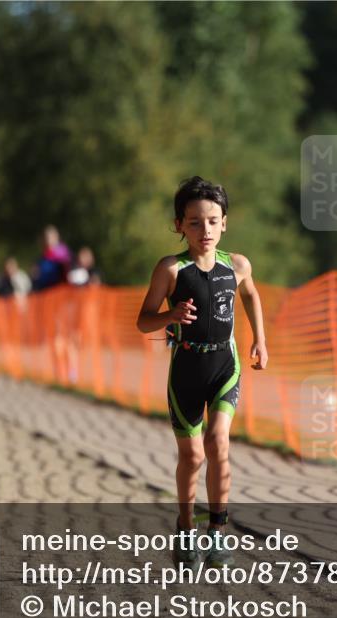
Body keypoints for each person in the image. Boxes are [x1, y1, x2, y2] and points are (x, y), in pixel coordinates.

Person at [137, 176, 268, 568]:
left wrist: (261, 339)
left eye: (212, 220)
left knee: (218, 442)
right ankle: (186, 529)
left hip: (225, 365)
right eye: (194, 222)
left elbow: (250, 293)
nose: (204, 230)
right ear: (179, 225)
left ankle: (218, 532)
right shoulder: (171, 269)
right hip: (187, 371)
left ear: (225, 222)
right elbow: (143, 322)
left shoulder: (237, 264)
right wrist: (169, 316)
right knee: (192, 456)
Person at [32, 226, 71, 291]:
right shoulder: (42, 259)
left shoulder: (64, 256)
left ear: (57, 237)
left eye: (50, 237)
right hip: (45, 292)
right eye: (46, 238)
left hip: (61, 291)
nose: (48, 240)